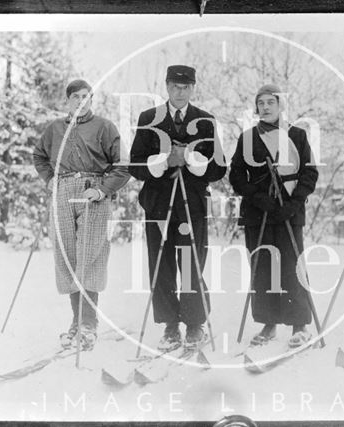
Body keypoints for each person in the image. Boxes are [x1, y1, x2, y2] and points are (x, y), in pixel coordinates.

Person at [129, 65, 226, 351]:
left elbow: (219, 167)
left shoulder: (205, 121)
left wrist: (190, 158)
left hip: (191, 205)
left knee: (191, 261)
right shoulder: (149, 118)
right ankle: (170, 325)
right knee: (162, 264)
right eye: (175, 86)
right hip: (158, 204)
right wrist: (165, 160)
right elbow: (135, 164)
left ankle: (195, 324)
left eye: (185, 87)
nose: (180, 92)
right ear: (167, 86)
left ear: (193, 88)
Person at [33, 79, 130, 350]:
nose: (80, 101)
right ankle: (76, 322)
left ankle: (88, 325)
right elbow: (39, 156)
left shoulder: (104, 127)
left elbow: (123, 165)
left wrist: (102, 190)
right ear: (68, 101)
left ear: (92, 100)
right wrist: (50, 179)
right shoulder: (54, 129)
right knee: (66, 256)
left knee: (90, 255)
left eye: (85, 96)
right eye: (75, 96)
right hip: (62, 191)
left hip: (92, 192)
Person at [229, 84, 319, 349]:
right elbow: (236, 175)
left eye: (271, 102)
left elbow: (310, 173)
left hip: (289, 211)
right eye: (261, 103)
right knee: (263, 267)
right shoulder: (248, 138)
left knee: (292, 266)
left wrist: (294, 203)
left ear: (280, 105)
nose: (265, 107)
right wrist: (258, 198)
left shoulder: (297, 135)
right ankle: (268, 323)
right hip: (259, 213)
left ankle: (299, 324)